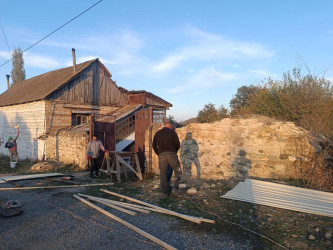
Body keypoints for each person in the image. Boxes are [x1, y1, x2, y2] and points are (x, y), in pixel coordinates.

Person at [153, 121, 182, 196]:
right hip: (172, 153)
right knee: (178, 171)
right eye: (173, 127)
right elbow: (178, 144)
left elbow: (154, 145)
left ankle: (165, 192)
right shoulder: (172, 133)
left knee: (163, 174)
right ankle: (175, 188)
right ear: (170, 126)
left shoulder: (157, 133)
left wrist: (159, 154)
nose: (173, 128)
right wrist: (173, 152)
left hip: (162, 155)